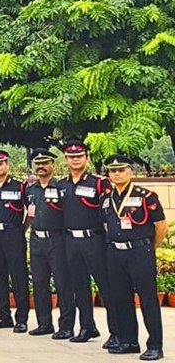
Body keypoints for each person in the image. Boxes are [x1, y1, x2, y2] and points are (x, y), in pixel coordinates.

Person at [101, 154, 166, 360]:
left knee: (148, 300)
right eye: (113, 171)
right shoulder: (106, 199)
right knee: (121, 298)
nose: (117, 174)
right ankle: (129, 341)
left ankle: (155, 345)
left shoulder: (146, 196)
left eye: (121, 170)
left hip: (140, 252)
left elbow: (160, 227)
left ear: (130, 172)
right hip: (115, 253)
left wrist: (148, 247)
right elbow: (106, 225)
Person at [61, 139, 117, 346]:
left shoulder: (99, 183)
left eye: (79, 156)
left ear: (86, 158)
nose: (75, 160)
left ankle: (116, 332)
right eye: (71, 157)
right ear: (66, 159)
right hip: (71, 241)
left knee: (106, 287)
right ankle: (87, 327)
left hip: (94, 240)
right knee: (80, 287)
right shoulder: (61, 184)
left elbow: (108, 214)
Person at [25, 148, 75, 339]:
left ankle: (66, 325)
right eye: (37, 164)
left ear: (53, 165)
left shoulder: (61, 187)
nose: (41, 167)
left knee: (63, 283)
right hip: (37, 240)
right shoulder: (30, 190)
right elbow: (28, 214)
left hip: (57, 240)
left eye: (45, 163)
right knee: (39, 283)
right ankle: (44, 323)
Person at [0, 149, 29, 332]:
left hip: (14, 234)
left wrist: (20, 229)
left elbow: (30, 211)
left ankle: (21, 318)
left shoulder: (20, 186)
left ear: (7, 165)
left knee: (18, 276)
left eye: (0, 163)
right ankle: (3, 316)